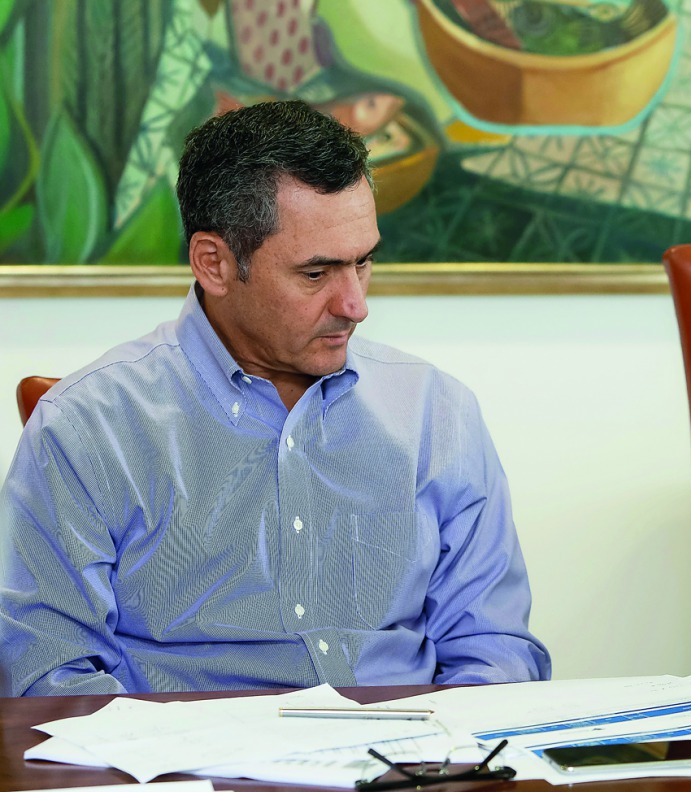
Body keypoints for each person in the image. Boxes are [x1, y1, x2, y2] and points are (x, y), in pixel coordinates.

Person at [0, 100, 550, 696]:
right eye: (316, 274)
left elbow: (493, 647)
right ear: (214, 263)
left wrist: (452, 762)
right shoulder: (88, 426)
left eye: (363, 263)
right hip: (192, 773)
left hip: (408, 769)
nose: (355, 305)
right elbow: (46, 670)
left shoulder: (435, 411)